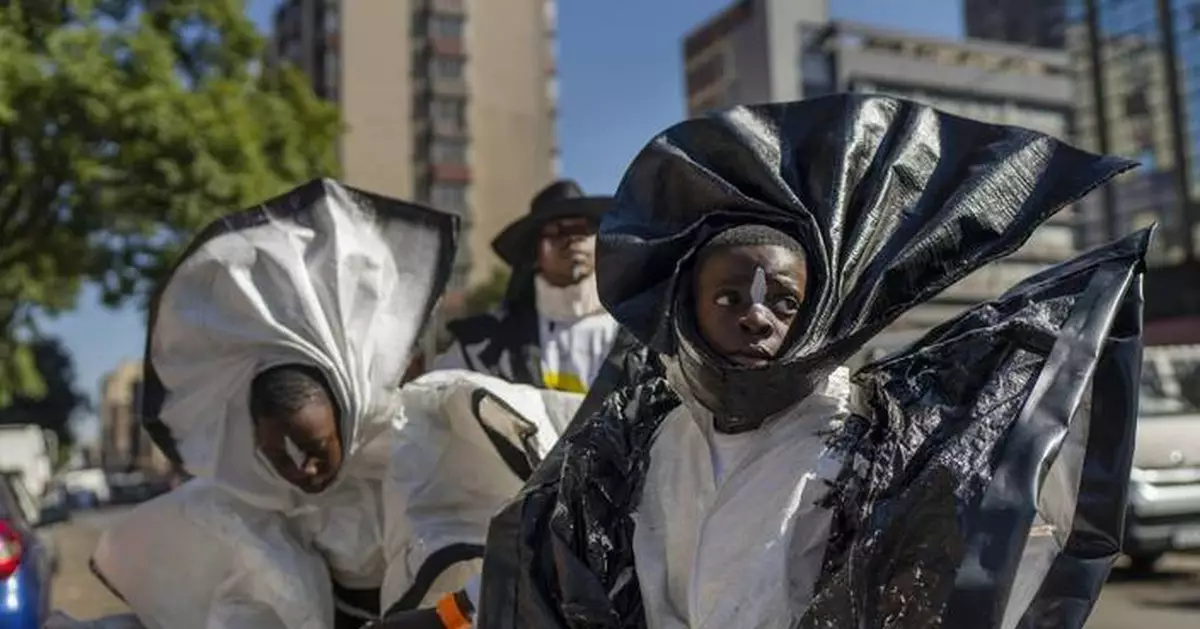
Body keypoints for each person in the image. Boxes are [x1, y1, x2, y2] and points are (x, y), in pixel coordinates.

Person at [473, 94, 1147, 629]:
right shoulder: (645, 441)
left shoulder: (868, 439)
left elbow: (982, 549)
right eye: (730, 295)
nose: (755, 314)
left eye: (783, 299)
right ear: (689, 305)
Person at [82, 179, 461, 629]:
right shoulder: (247, 497)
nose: (303, 471)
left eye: (316, 447)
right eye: (279, 455)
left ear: (349, 415)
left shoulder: (422, 456)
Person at [430, 180, 619, 394]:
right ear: (533, 254)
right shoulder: (483, 346)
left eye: (583, 228)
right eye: (556, 230)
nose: (572, 239)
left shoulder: (639, 336)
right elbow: (430, 401)